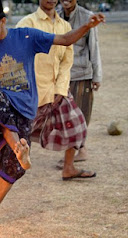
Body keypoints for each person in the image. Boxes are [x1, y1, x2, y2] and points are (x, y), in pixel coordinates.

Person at [0, 0, 104, 234]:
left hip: (23, 112)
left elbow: (64, 39)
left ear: (2, 21)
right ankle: (19, 150)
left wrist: (87, 27)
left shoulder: (26, 37)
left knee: (12, 171)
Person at [16, 0, 97, 180]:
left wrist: (61, 89)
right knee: (17, 134)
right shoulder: (27, 23)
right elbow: (16, 56)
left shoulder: (65, 26)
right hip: (32, 93)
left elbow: (67, 61)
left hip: (57, 90)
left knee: (77, 126)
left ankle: (68, 168)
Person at [57, 0, 102, 162]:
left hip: (81, 74)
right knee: (65, 116)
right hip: (62, 75)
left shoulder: (87, 17)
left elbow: (94, 47)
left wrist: (96, 76)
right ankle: (70, 151)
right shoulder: (55, 15)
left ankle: (80, 150)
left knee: (82, 114)